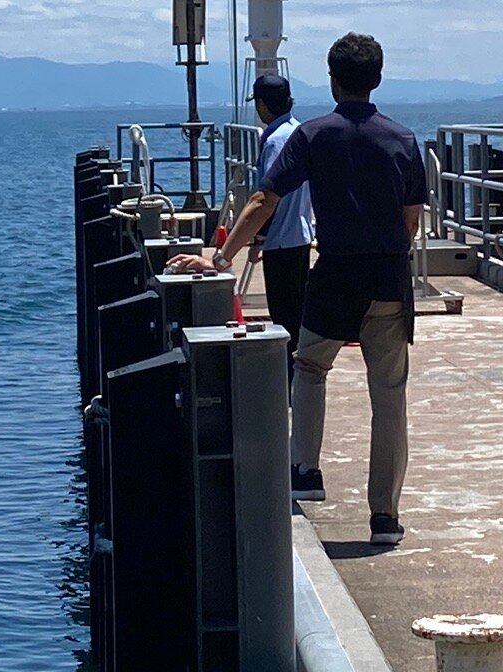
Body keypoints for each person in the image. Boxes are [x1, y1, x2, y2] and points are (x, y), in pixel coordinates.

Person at [181, 33, 424, 549]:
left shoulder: (313, 136)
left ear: (334, 81)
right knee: (389, 397)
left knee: (311, 368)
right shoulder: (403, 139)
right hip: (387, 278)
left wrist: (220, 256)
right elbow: (411, 221)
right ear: (377, 79)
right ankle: (384, 517)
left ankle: (307, 471)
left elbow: (265, 198)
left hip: (334, 274)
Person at [246, 73, 310, 370]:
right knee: (298, 314)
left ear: (261, 104)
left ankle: (288, 382)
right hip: (301, 234)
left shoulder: (274, 141)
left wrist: (258, 237)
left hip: (280, 239)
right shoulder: (300, 131)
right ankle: (299, 376)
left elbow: (269, 195)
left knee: (283, 318)